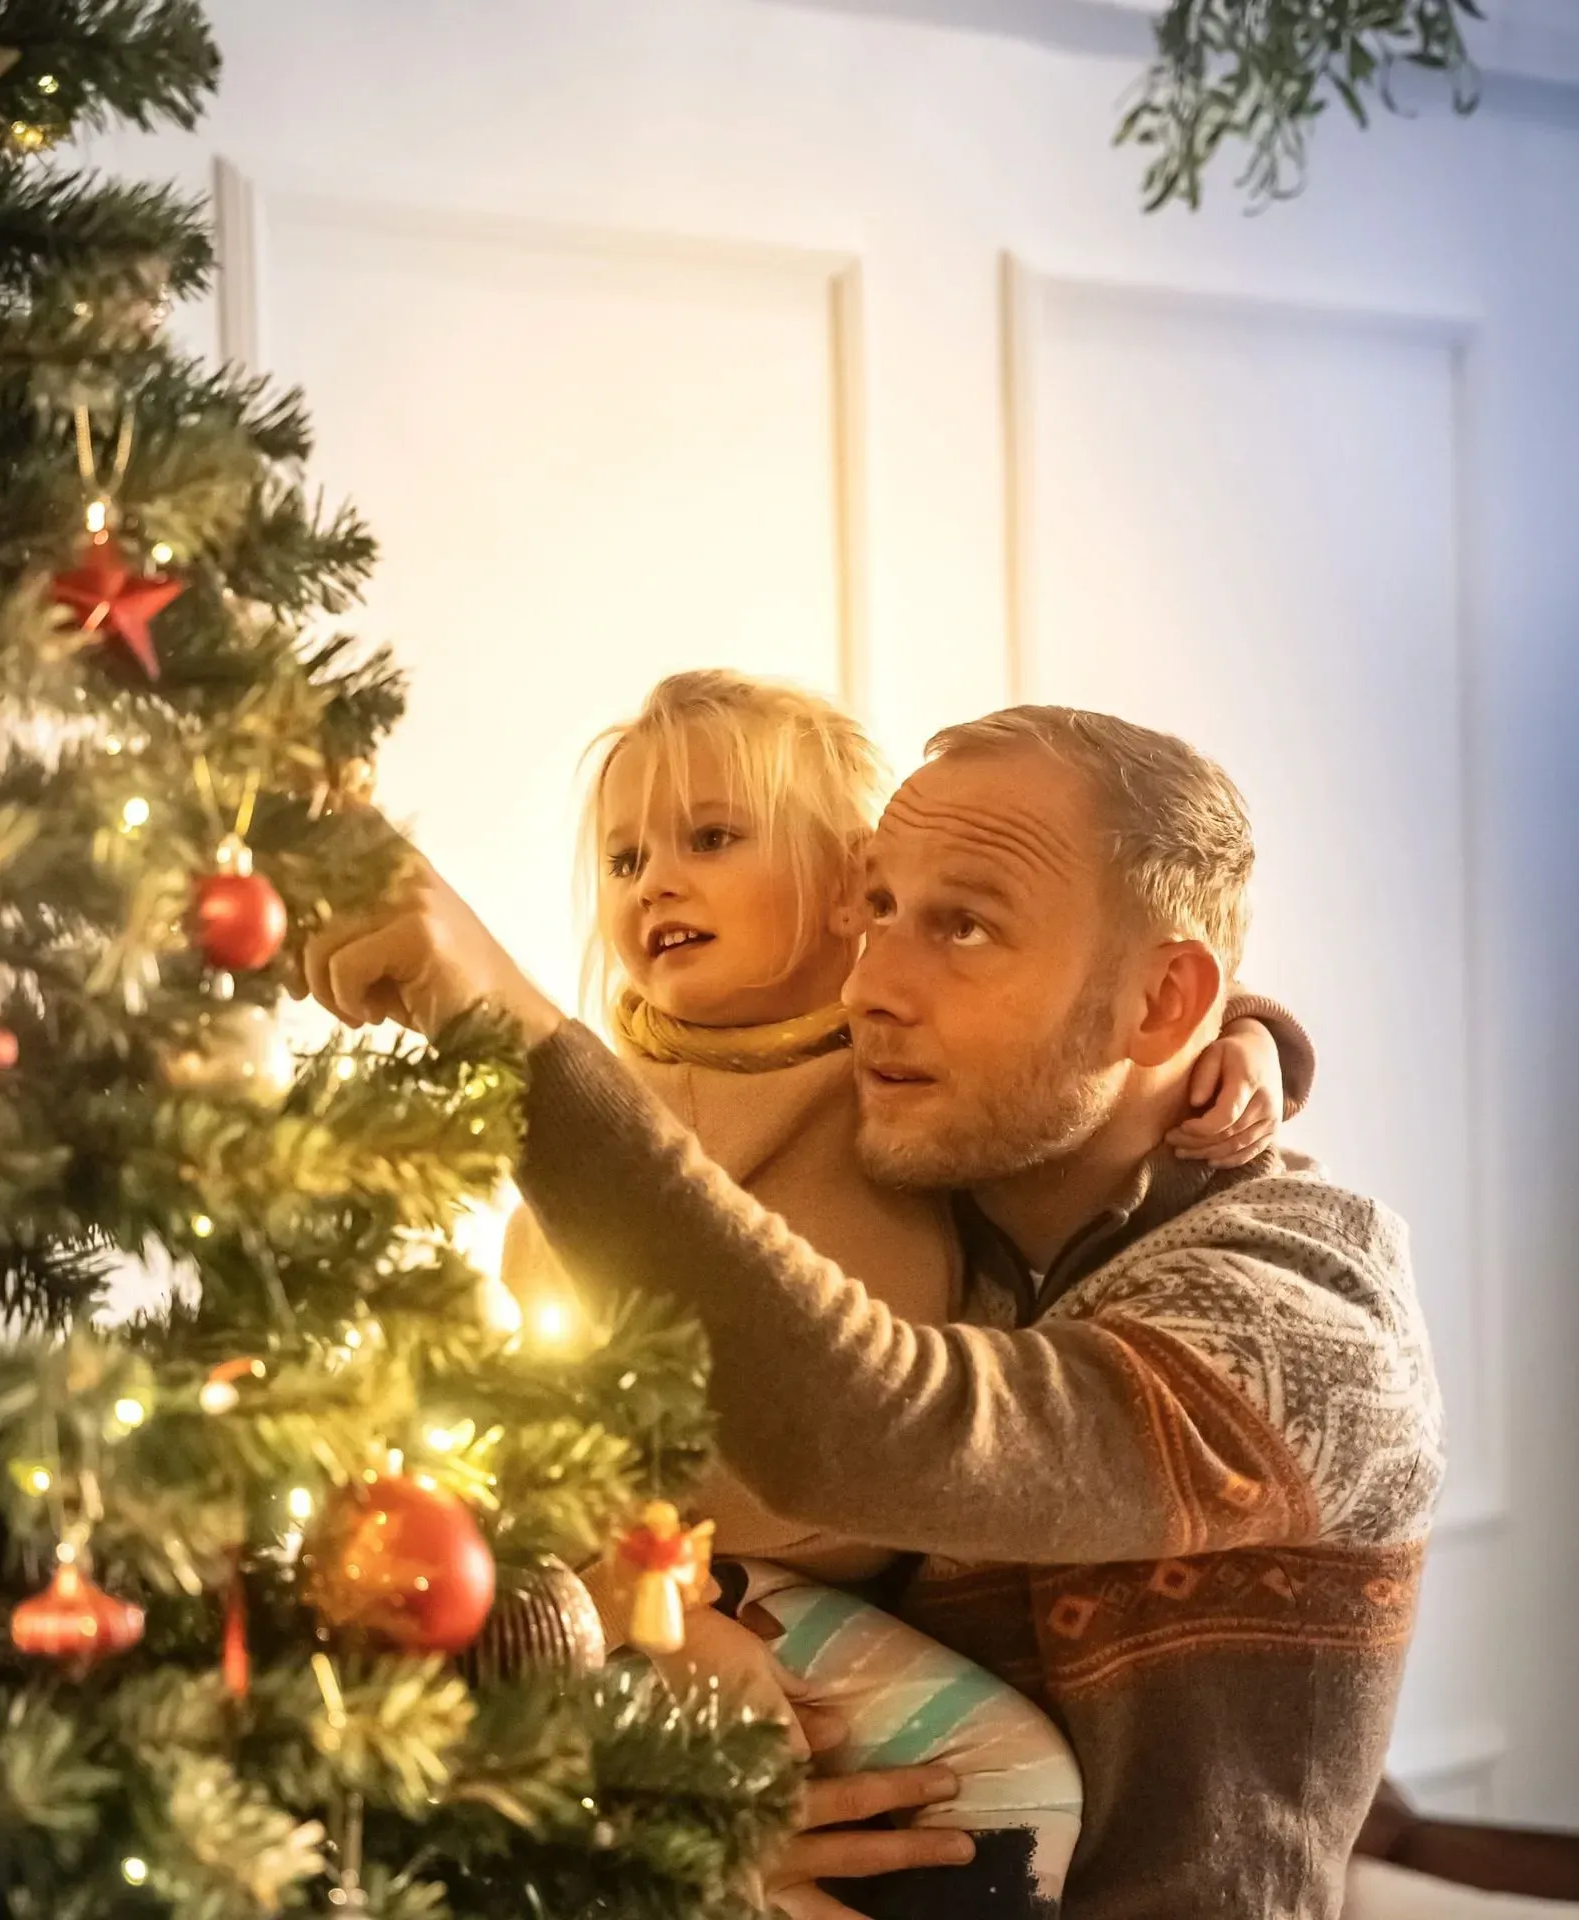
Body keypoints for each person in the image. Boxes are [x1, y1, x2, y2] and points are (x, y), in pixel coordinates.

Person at [304, 704, 1445, 1920]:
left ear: (1164, 1006)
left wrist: (499, 1016)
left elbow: (874, 1428)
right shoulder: (941, 1201)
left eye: (961, 926)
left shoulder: (1311, 1313)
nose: (869, 986)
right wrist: (695, 1801)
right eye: (874, 910)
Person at [500, 671, 1315, 1917]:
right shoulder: (652, 1127)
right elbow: (543, 1420)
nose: (652, 882)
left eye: (712, 838)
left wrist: (1252, 1041)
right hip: (697, 1573)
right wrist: (656, 1632)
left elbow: (1086, 1046)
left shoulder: (892, 1074)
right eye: (621, 859)